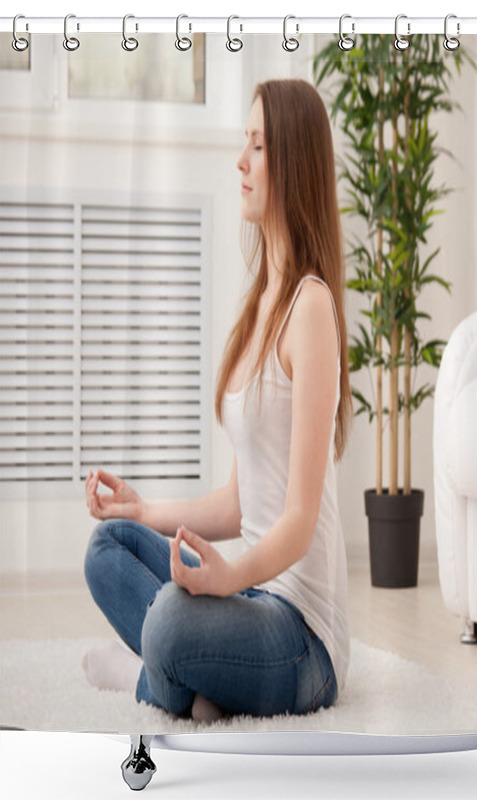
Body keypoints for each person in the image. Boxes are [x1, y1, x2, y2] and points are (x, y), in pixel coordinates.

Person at [81, 79, 352, 723]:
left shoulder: (310, 308)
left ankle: (147, 675)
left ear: (294, 163)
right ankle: (183, 681)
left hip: (301, 637)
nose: (240, 160)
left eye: (258, 146)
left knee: (173, 618)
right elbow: (240, 501)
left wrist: (226, 581)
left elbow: (299, 519)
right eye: (245, 143)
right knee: (109, 545)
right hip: (251, 594)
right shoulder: (261, 304)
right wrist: (146, 508)